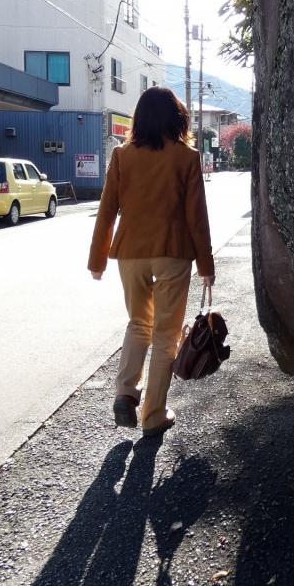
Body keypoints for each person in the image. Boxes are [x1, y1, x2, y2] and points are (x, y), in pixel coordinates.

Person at [89, 87, 214, 437]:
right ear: (178, 118)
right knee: (166, 334)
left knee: (138, 323)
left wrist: (97, 260)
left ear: (139, 118)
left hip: (130, 253)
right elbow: (197, 218)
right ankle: (153, 415)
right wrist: (206, 266)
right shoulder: (187, 157)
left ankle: (126, 392)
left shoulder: (122, 155)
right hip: (173, 252)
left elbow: (106, 211)